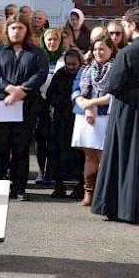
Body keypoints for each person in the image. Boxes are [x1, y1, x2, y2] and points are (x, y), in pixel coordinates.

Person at [92, 7, 139, 223]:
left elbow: (112, 84)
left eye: (125, 25)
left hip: (127, 106)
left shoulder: (128, 52)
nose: (124, 29)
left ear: (133, 25)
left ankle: (121, 207)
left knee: (124, 153)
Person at [0, 15, 48, 201]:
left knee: (21, 149)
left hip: (26, 107)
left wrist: (22, 90)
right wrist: (9, 88)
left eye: (20, 28)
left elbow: (41, 73)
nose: (16, 31)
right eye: (13, 28)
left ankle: (19, 187)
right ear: (7, 30)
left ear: (26, 30)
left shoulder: (36, 52)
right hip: (1, 105)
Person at [71, 35, 116, 206]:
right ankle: (88, 193)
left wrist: (92, 103)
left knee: (104, 156)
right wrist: (87, 107)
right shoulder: (85, 69)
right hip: (85, 116)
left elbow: (112, 95)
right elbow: (76, 91)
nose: (98, 52)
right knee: (89, 157)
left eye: (102, 49)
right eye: (95, 49)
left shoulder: (115, 69)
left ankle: (102, 194)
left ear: (111, 50)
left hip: (105, 115)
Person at [46, 50, 84, 199]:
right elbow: (51, 95)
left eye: (74, 64)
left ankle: (80, 186)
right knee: (58, 153)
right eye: (68, 64)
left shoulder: (83, 74)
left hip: (77, 118)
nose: (71, 67)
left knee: (79, 154)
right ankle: (59, 185)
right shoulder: (60, 74)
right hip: (61, 119)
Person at [35, 28, 66, 186]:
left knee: (55, 140)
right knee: (41, 139)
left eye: (55, 40)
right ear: (44, 41)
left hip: (58, 105)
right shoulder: (37, 57)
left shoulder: (64, 59)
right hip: (40, 103)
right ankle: (41, 170)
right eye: (49, 40)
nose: (52, 42)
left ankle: (51, 172)